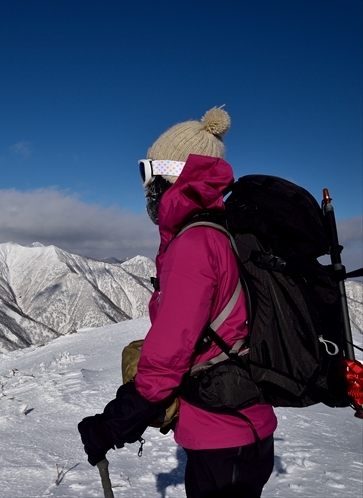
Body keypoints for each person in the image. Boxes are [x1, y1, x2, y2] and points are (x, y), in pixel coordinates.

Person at [79, 107, 277, 498]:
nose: (145, 188)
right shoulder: (221, 233)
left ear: (172, 174)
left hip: (224, 440)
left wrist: (111, 425)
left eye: (148, 173)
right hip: (242, 428)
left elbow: (167, 359)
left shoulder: (194, 244)